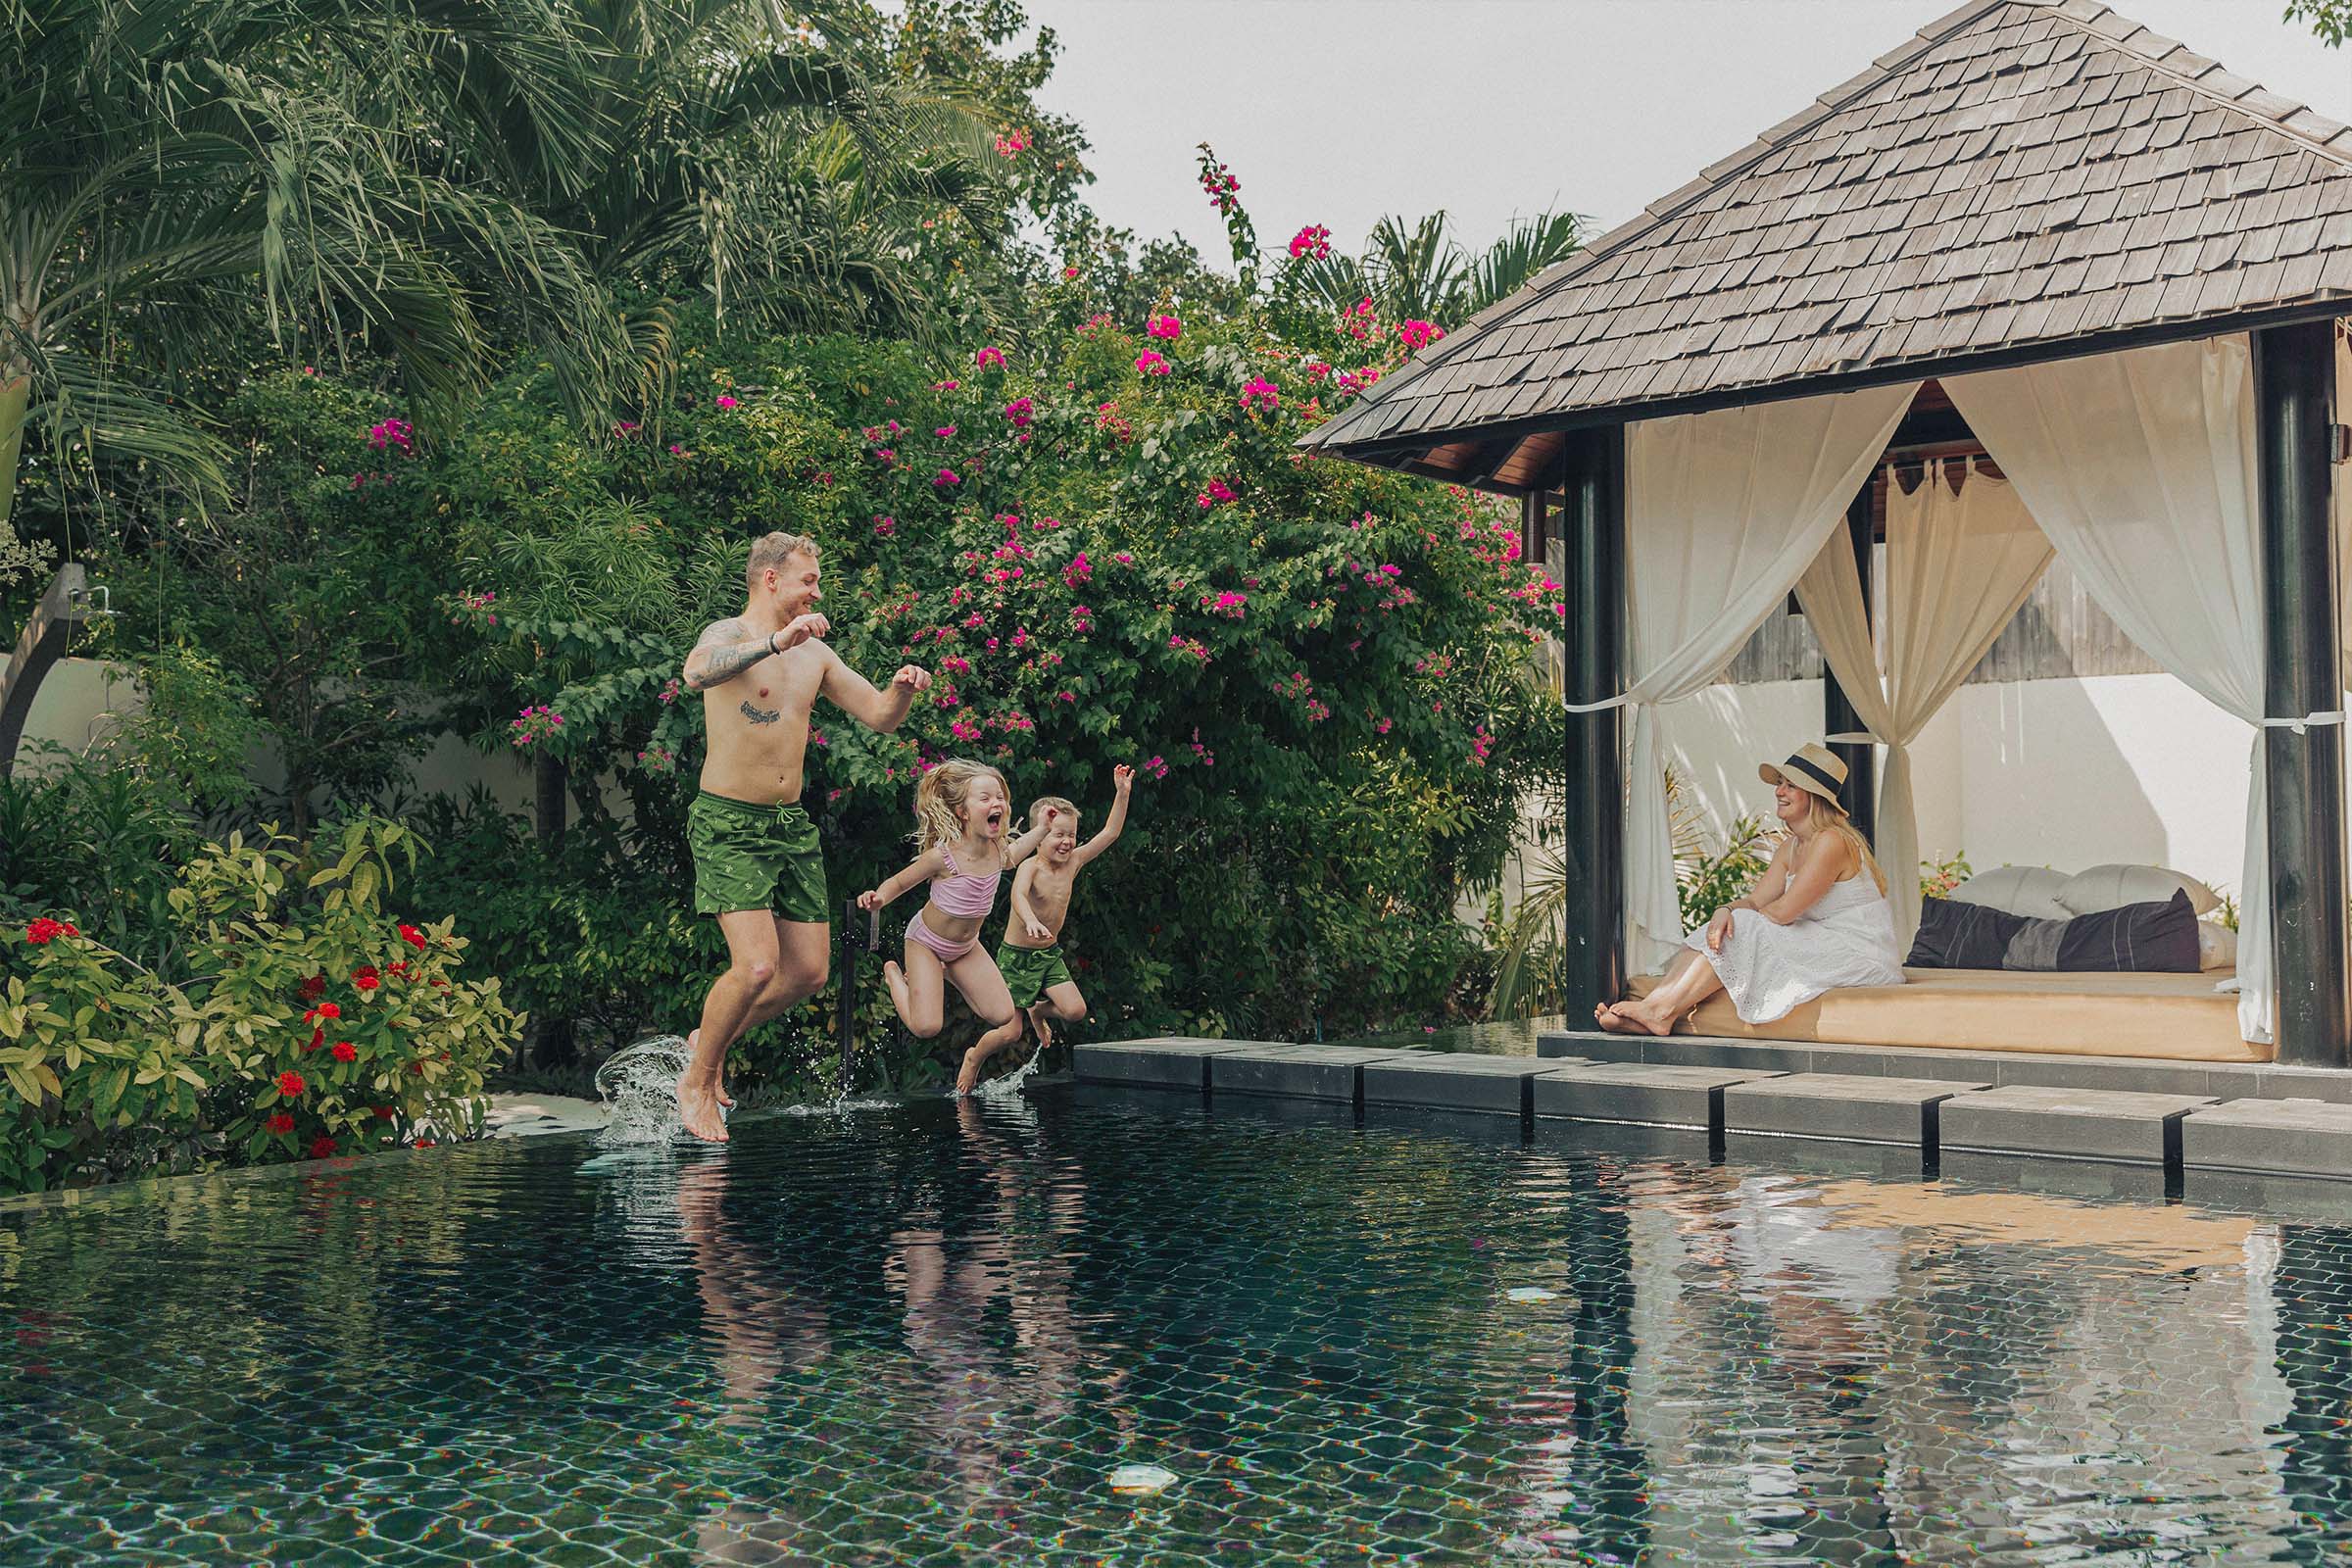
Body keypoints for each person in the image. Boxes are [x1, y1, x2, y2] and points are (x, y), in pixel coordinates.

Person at [676, 530, 931, 1143]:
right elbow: (694, 673)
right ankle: (699, 1077)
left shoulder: (816, 655)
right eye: (808, 581)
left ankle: (706, 1040)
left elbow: (876, 715)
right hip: (730, 822)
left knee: (808, 974)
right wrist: (771, 641)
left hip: (790, 828)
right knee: (758, 966)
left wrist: (901, 690)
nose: (816, 593)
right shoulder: (730, 636)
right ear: (771, 579)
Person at [1596, 743, 1902, 1037]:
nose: (1778, 791)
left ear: (1813, 795)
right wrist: (1725, 911)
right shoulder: (1790, 847)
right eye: (1779, 783)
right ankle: (1654, 1007)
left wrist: (1738, 921)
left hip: (1860, 954)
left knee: (1741, 927)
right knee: (1719, 928)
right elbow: (1756, 900)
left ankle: (1659, 1012)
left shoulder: (1832, 841)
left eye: (1789, 785)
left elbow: (1783, 912)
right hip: (1823, 941)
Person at [956, 764, 1135, 1094]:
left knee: (1075, 1010)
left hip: (1048, 955)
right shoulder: (1030, 866)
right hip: (1016, 958)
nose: (1067, 842)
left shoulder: (1074, 863)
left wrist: (1121, 793)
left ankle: (1038, 1010)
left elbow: (1109, 833)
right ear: (1040, 836)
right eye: (1058, 834)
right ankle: (974, 1057)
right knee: (1009, 1032)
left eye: (1071, 835)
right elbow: (1018, 896)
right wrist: (1031, 920)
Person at [858, 760, 1050, 1043]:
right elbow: (900, 882)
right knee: (926, 1027)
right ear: (963, 813)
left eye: (999, 797)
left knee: (1002, 1014)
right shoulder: (944, 856)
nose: (996, 802)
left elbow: (1017, 851)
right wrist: (880, 897)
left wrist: (1043, 828)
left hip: (965, 947)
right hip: (926, 943)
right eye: (984, 798)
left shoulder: (998, 851)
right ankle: (894, 976)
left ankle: (946, 972)